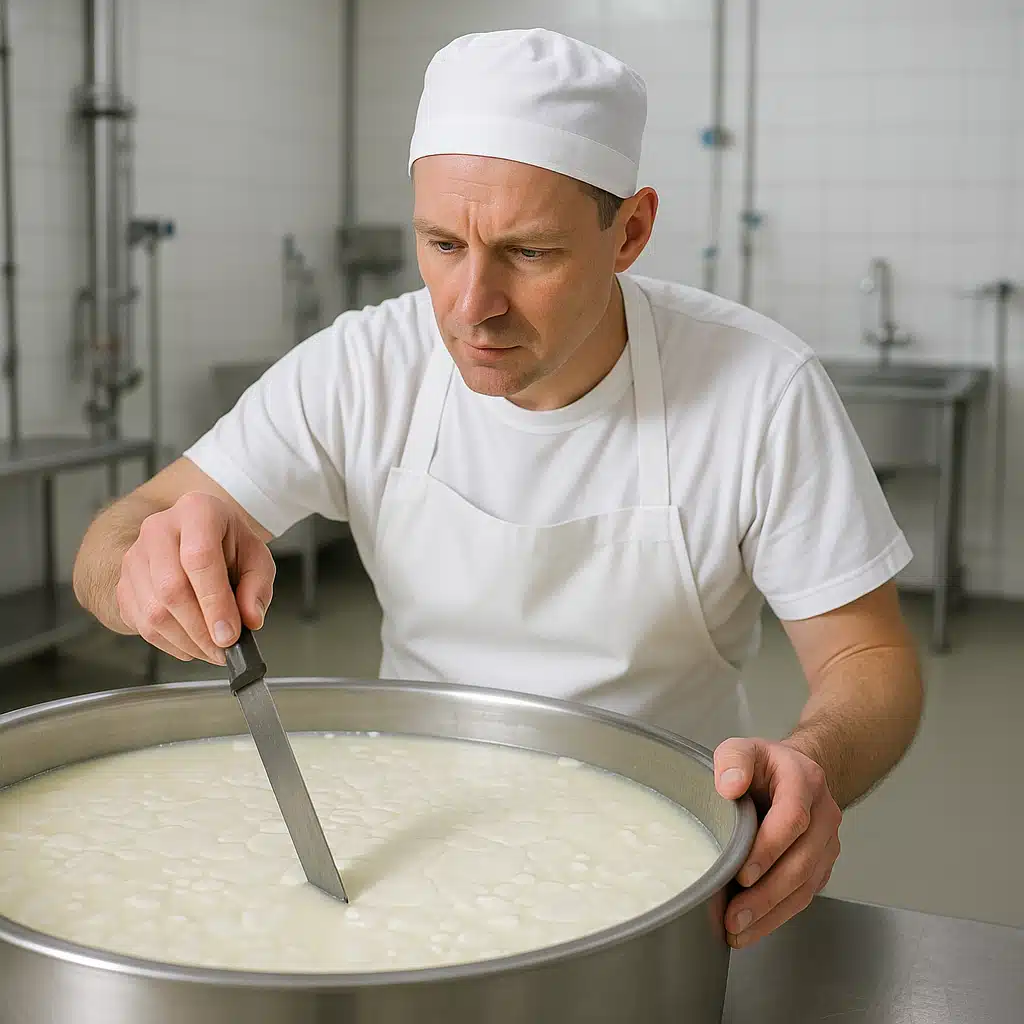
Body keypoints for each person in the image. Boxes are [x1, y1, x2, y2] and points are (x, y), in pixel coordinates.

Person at [72, 29, 923, 949]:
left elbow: (869, 662)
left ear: (630, 230)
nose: (471, 305)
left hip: (666, 857)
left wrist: (810, 760)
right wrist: (141, 572)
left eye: (529, 253)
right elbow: (116, 536)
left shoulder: (761, 390)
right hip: (414, 839)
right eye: (441, 244)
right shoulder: (365, 367)